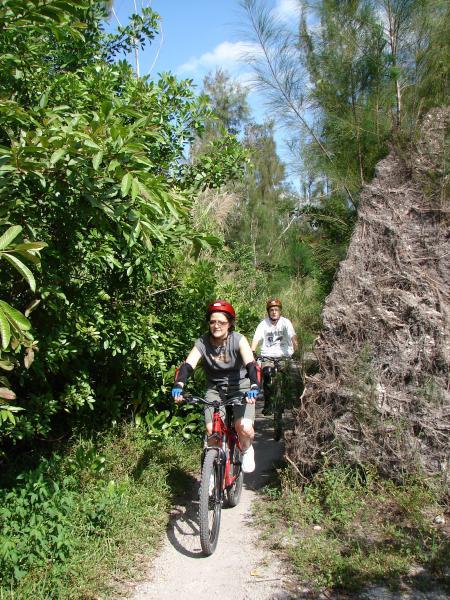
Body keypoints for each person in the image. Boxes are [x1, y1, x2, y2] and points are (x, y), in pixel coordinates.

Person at [171, 300, 260, 474]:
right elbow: (188, 365)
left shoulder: (238, 340)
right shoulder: (203, 342)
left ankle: (247, 448)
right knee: (212, 431)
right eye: (212, 322)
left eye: (221, 322)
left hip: (241, 387)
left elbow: (251, 364)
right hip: (215, 389)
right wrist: (179, 384)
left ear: (230, 323)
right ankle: (211, 476)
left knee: (244, 427)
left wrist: (254, 385)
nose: (216, 326)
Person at [251, 298, 298, 414]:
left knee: (289, 376)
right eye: (271, 310)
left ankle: (289, 400)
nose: (274, 312)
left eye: (276, 310)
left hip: (284, 355)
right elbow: (256, 338)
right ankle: (268, 403)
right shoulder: (263, 324)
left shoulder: (286, 322)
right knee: (267, 374)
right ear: (268, 312)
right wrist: (252, 351)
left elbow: (293, 337)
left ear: (280, 311)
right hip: (267, 355)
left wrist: (296, 350)